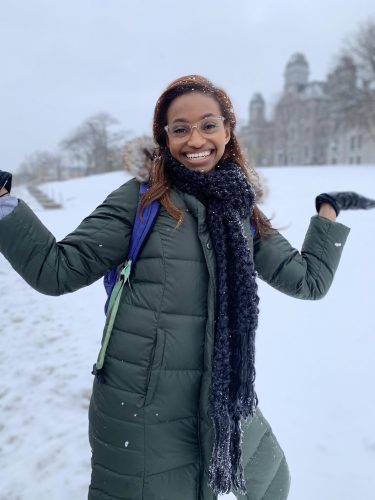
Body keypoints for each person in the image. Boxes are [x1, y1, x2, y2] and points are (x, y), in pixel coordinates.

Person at [1, 75, 374, 500]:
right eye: (180, 129)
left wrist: (328, 210)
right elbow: (56, 270)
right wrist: (4, 205)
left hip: (223, 401)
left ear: (227, 130)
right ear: (165, 137)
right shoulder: (140, 199)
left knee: (272, 484)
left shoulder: (240, 210)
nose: (195, 139)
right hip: (140, 414)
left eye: (208, 125)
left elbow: (307, 281)